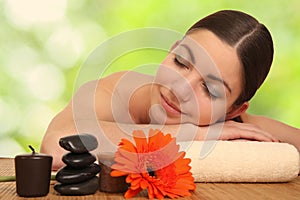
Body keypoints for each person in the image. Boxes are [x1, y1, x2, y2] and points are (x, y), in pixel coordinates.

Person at [41, 10, 300, 170]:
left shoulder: (237, 124)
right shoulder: (111, 93)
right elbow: (55, 146)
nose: (180, 89)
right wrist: (193, 134)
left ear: (234, 110)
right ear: (172, 50)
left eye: (210, 89)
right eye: (180, 62)